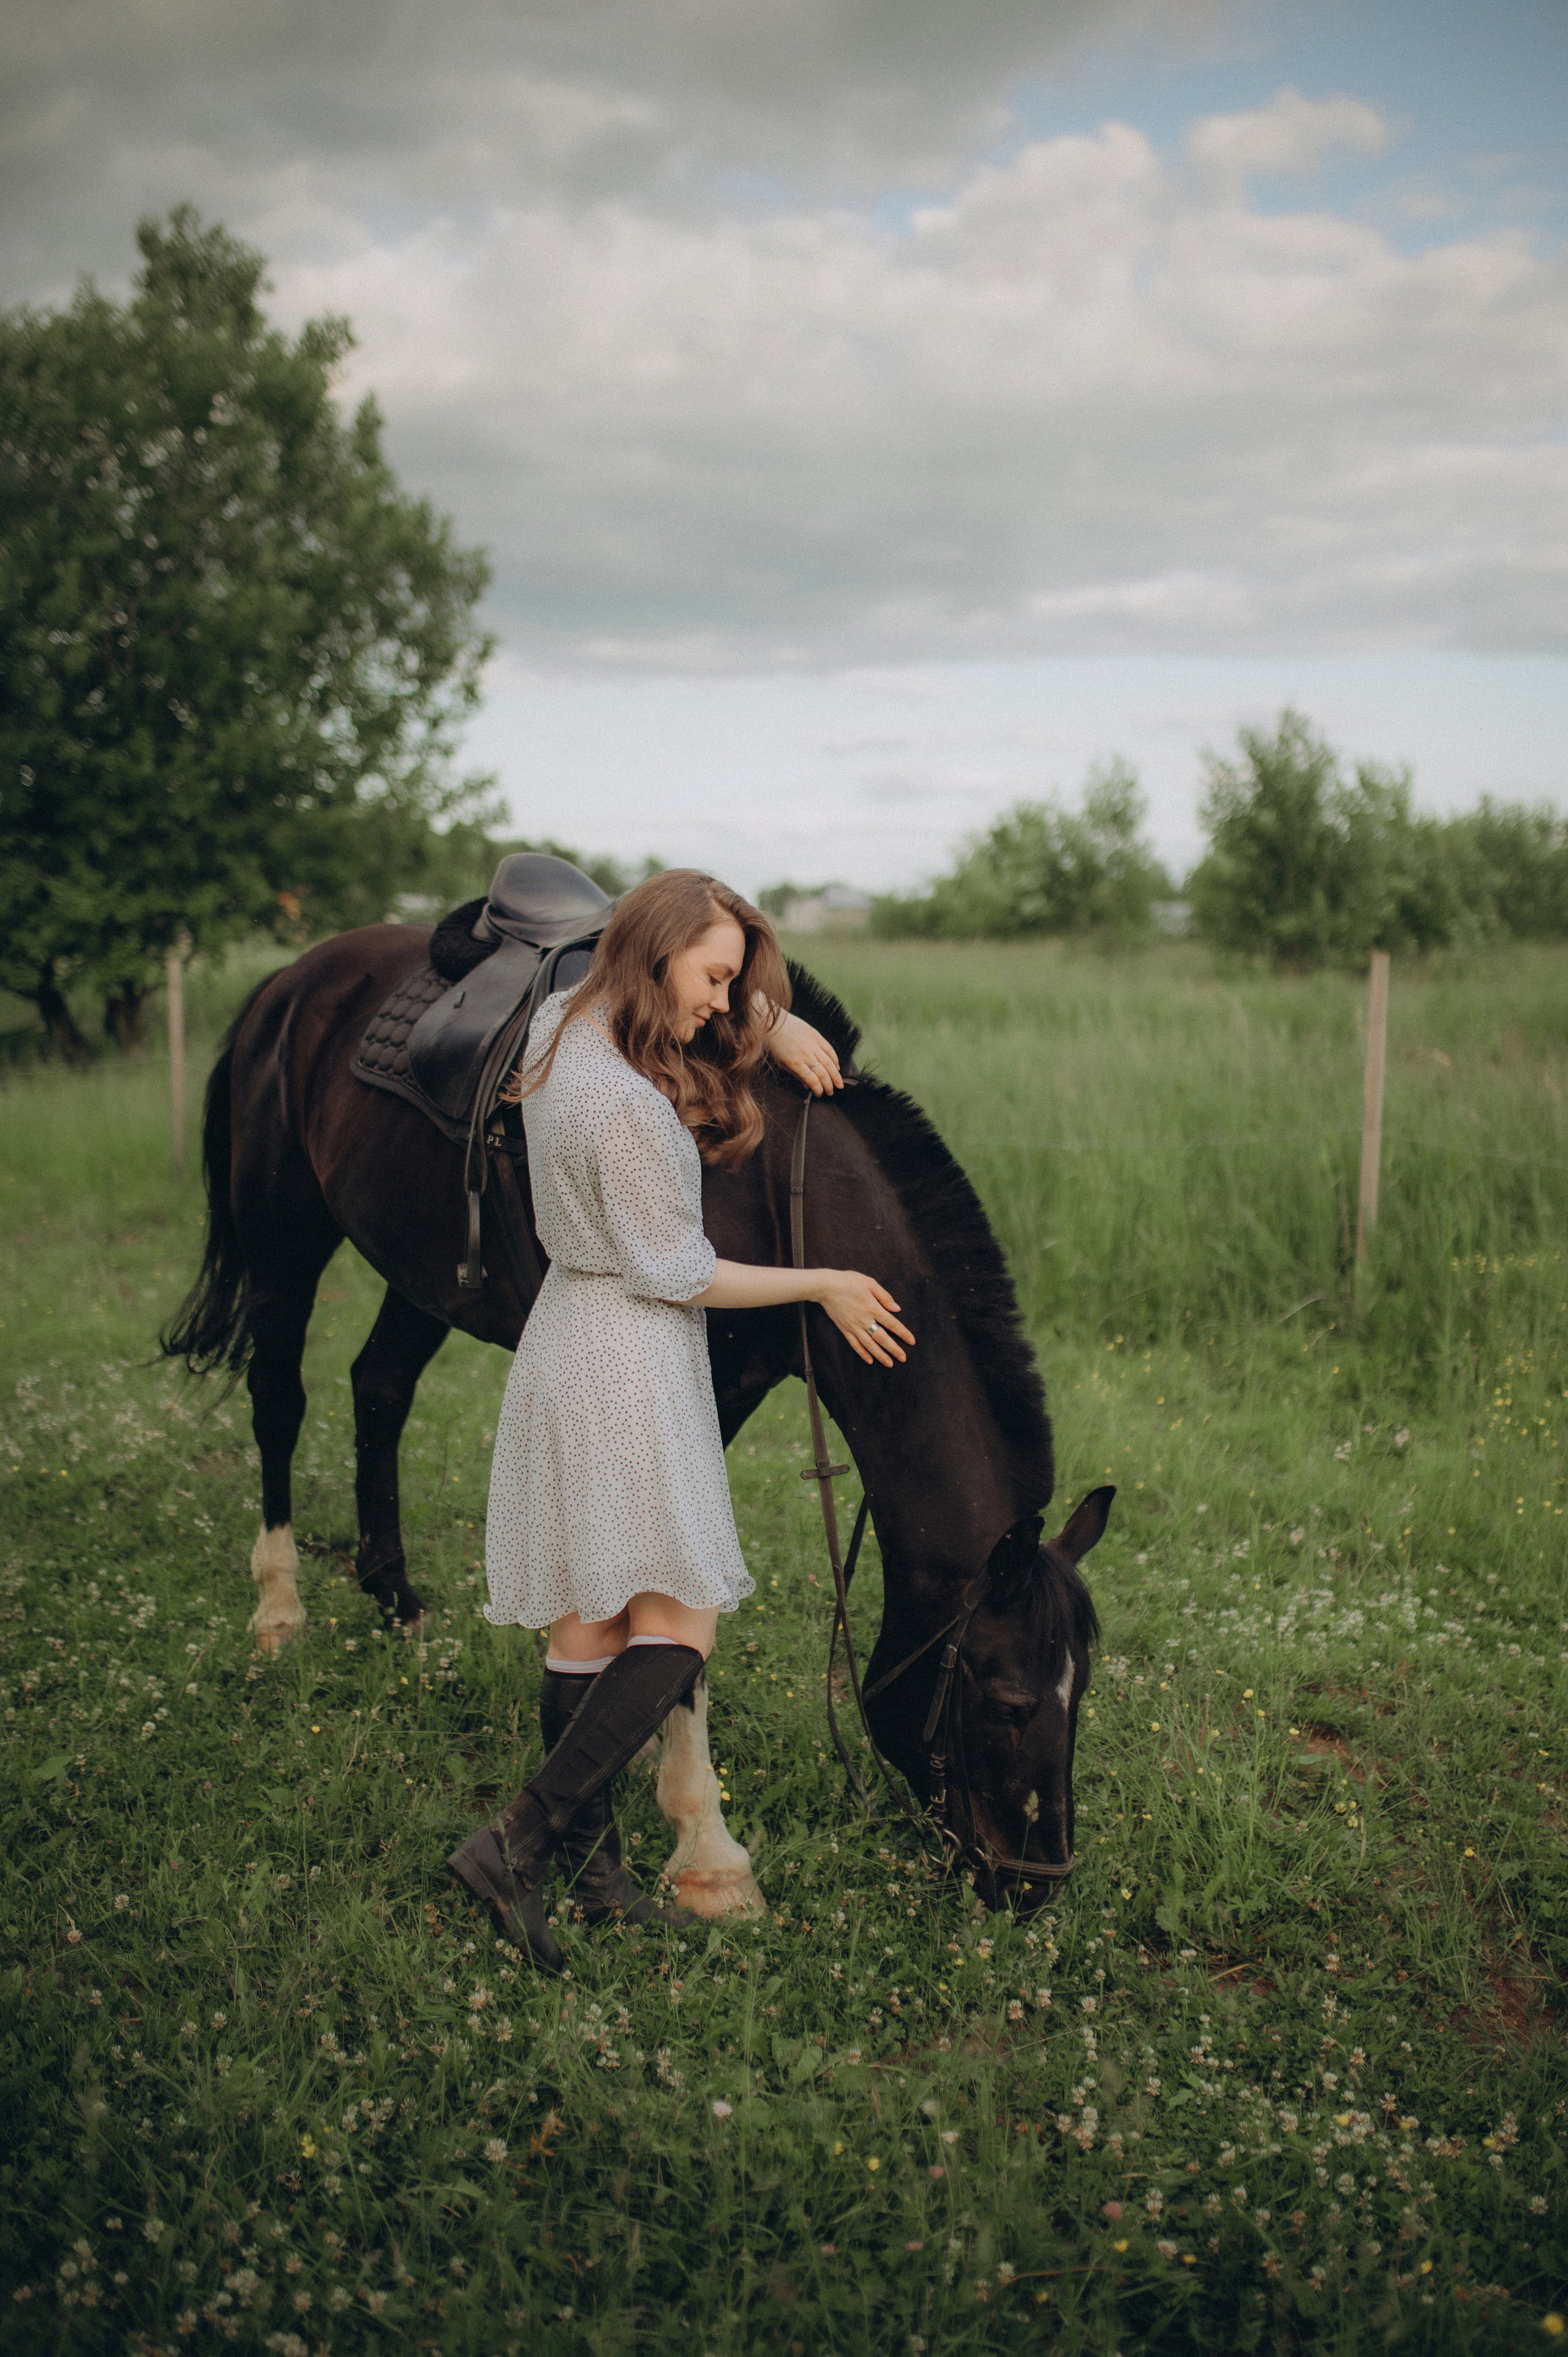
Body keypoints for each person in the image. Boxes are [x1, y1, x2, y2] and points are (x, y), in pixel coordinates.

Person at [449, 869, 915, 1969]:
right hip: (629, 1352)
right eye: (713, 979)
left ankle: (596, 1879)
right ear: (657, 953)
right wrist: (822, 1283)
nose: (718, 1004)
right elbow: (677, 1270)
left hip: (568, 1336)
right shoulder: (626, 1108)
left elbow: (622, 960)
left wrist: (766, 1012)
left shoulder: (561, 1035)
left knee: (587, 1627)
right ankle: (516, 1844)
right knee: (680, 1626)